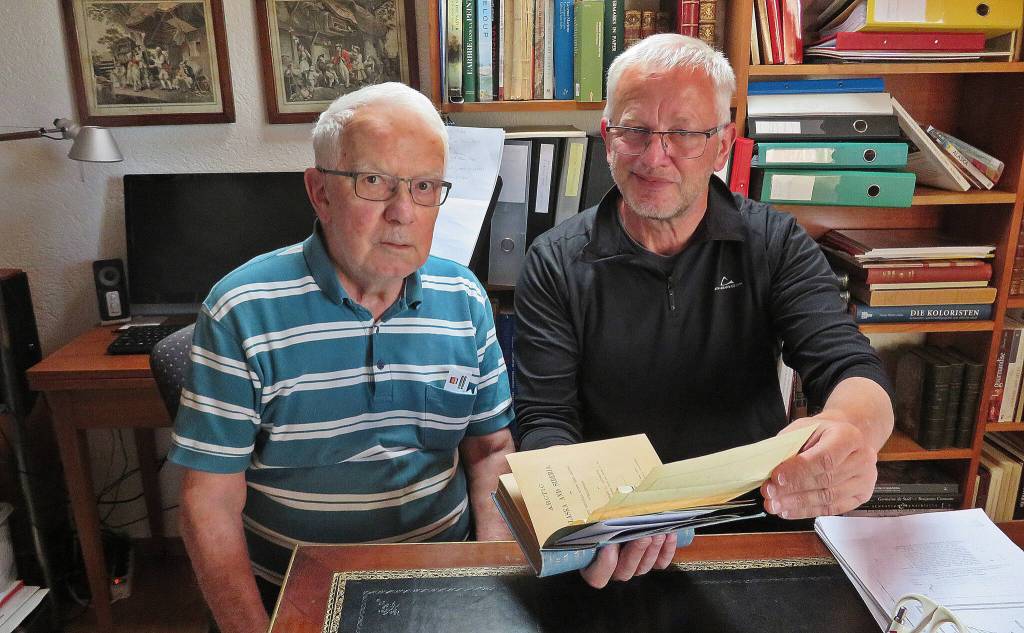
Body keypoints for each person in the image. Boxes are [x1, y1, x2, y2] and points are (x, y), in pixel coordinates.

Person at [514, 34, 894, 589]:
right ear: (608, 139)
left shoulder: (774, 241)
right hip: (616, 534)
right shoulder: (553, 261)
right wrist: (581, 523)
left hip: (755, 524)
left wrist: (851, 429)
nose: (654, 156)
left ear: (721, 146)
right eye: (635, 130)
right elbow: (546, 420)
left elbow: (848, 365)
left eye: (684, 134)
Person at [169, 82, 515, 633]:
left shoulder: (466, 301)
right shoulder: (241, 310)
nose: (403, 212)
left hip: (441, 583)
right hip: (292, 593)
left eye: (425, 187)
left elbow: (491, 450)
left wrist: (492, 578)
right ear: (320, 192)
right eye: (373, 182)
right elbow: (207, 501)